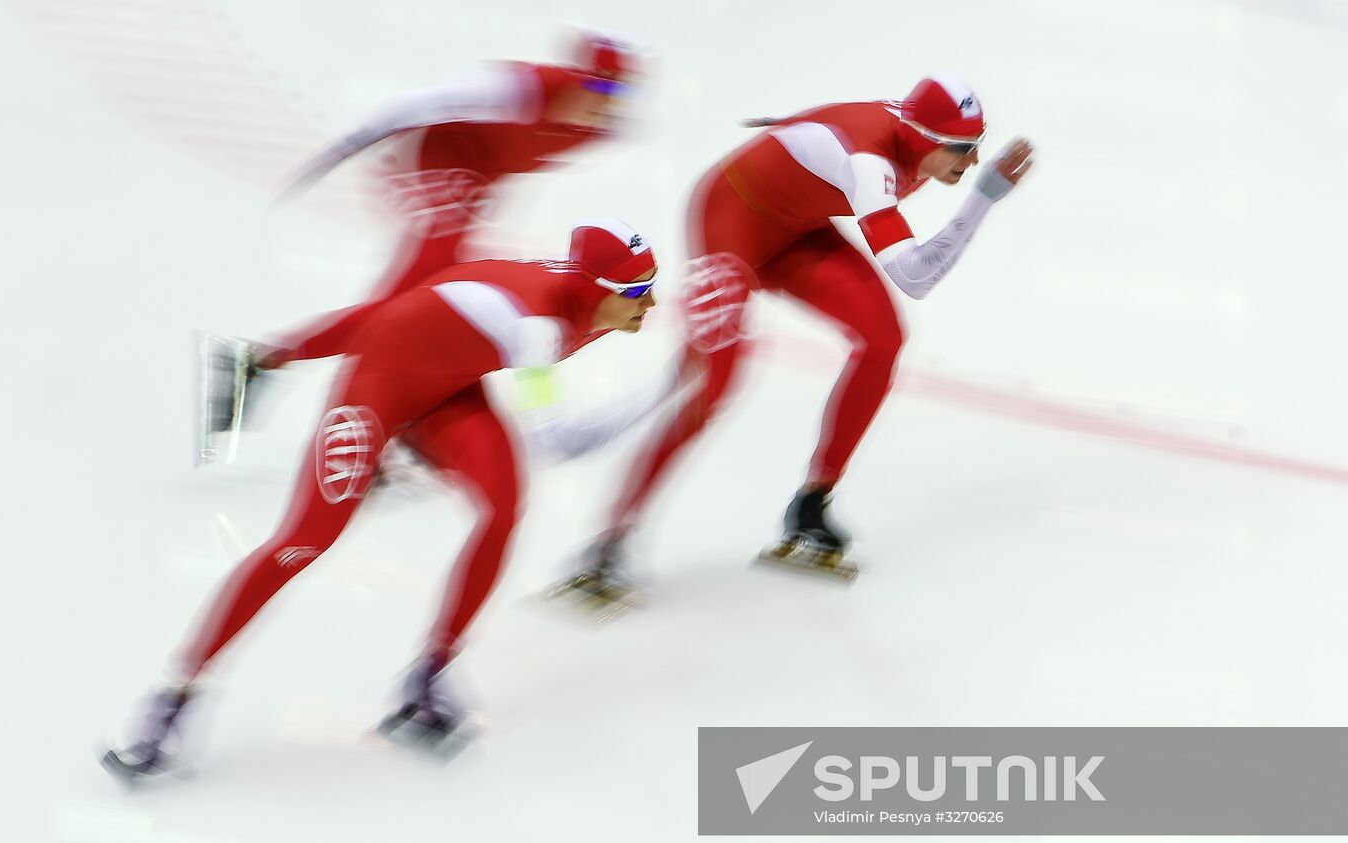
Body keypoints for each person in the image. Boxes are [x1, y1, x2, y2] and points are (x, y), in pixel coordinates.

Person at [105, 220, 658, 780]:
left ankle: (428, 676)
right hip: (379, 390)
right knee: (304, 541)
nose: (652, 303)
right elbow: (561, 441)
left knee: (504, 507)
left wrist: (281, 354)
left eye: (653, 284)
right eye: (637, 293)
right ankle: (174, 698)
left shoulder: (582, 298)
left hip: (451, 389)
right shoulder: (537, 327)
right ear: (594, 289)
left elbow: (417, 303)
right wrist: (672, 388)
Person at [564, 74, 1035, 593]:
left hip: (798, 231)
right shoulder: (871, 166)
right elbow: (916, 278)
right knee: (716, 383)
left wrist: (788, 133)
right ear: (921, 136)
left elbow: (841, 113)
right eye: (961, 150)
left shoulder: (908, 133)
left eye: (976, 149)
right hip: (731, 223)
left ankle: (812, 504)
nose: (971, 164)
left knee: (883, 339)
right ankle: (611, 538)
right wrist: (983, 199)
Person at [199, 29, 641, 460]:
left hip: (471, 185)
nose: (606, 100)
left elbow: (515, 160)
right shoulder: (523, 89)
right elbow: (421, 103)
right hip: (430, 162)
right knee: (412, 305)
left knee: (417, 306)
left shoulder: (604, 130)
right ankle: (299, 376)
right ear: (575, 74)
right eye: (598, 84)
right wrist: (345, 146)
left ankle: (307, 379)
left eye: (619, 93)